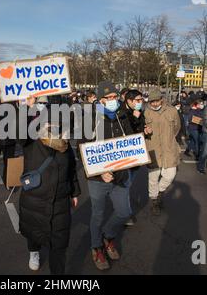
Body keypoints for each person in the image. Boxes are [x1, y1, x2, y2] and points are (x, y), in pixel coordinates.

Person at [78, 81, 133, 271]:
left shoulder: (122, 116)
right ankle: (97, 248)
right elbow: (82, 151)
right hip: (97, 179)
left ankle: (108, 236)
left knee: (124, 212)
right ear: (100, 100)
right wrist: (101, 171)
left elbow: (129, 144)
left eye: (114, 97)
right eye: (107, 98)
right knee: (98, 215)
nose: (112, 101)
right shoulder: (89, 119)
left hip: (120, 175)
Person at [18, 116, 80, 274]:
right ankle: (34, 251)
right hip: (34, 200)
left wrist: (74, 192)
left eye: (58, 124)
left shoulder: (65, 146)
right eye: (49, 123)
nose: (53, 127)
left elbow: (71, 170)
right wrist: (26, 107)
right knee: (34, 232)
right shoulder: (31, 142)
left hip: (60, 202)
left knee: (59, 244)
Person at [144, 90, 181, 216]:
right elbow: (140, 129)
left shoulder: (172, 111)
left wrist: (169, 138)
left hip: (169, 148)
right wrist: (145, 132)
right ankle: (154, 201)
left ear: (161, 99)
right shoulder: (146, 112)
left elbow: (177, 127)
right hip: (152, 148)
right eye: (152, 101)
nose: (154, 104)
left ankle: (160, 191)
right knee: (153, 177)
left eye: (156, 101)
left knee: (170, 174)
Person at [120, 90, 152, 226]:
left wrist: (146, 130)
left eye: (141, 100)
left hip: (136, 155)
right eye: (138, 100)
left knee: (128, 184)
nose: (141, 102)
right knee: (125, 186)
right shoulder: (120, 113)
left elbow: (141, 127)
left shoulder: (139, 112)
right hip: (125, 155)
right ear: (129, 101)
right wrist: (134, 118)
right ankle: (125, 213)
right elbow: (126, 131)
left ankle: (122, 208)